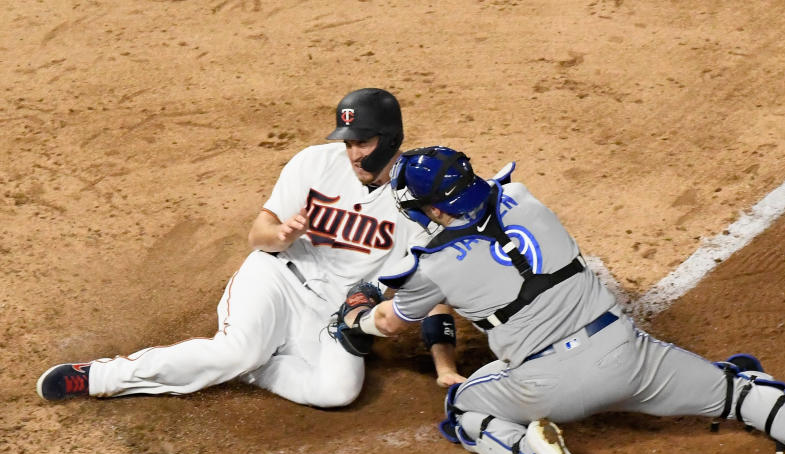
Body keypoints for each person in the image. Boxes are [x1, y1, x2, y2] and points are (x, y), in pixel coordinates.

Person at [334, 145, 785, 454]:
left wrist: (355, 322)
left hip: (545, 385)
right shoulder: (527, 200)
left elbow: (389, 319)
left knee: (466, 407)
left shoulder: (432, 264)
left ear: (431, 209)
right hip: (633, 359)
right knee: (740, 392)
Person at [36, 89, 464, 406]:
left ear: (389, 140)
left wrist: (445, 368)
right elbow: (258, 232)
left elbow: (432, 292)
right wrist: (278, 237)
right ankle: (100, 376)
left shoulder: (420, 199)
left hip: (335, 315)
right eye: (348, 142)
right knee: (236, 349)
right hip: (278, 277)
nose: (352, 153)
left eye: (362, 143)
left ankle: (253, 366)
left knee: (338, 393)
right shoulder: (313, 163)